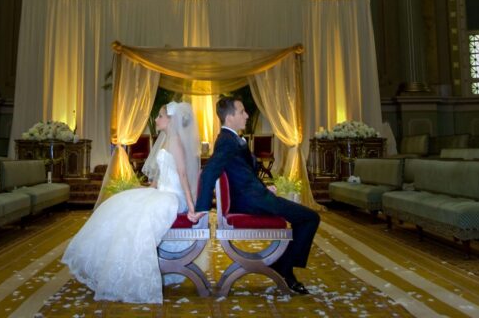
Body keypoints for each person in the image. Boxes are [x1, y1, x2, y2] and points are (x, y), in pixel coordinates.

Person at [62, 101, 201, 304]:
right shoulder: (165, 140)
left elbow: (182, 175)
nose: (156, 119)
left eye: (160, 116)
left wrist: (191, 206)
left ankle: (132, 273)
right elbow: (162, 174)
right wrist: (148, 188)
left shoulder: (176, 142)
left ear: (171, 120)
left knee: (139, 216)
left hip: (173, 197)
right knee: (121, 205)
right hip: (162, 192)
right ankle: (113, 268)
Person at [193, 96, 319, 296]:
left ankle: (283, 265)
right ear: (230, 117)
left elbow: (244, 173)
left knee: (306, 217)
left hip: (254, 196)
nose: (246, 115)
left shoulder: (231, 138)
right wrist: (202, 207)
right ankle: (285, 268)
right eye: (242, 111)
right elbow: (209, 172)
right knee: (311, 217)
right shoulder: (227, 141)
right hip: (251, 201)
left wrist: (264, 188)